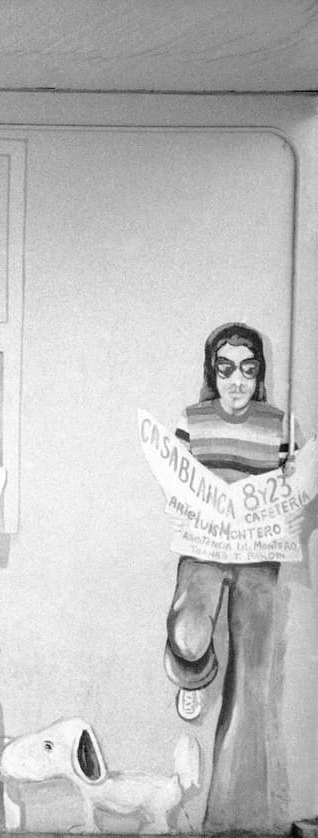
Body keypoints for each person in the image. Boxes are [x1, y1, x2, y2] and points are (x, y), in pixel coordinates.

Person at [164, 322, 303, 831]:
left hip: (259, 557)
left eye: (248, 369)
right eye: (226, 369)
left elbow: (296, 492)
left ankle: (232, 822)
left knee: (251, 686)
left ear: (259, 373)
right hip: (204, 550)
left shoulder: (281, 425)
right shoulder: (191, 420)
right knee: (189, 631)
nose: (237, 381)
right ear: (212, 373)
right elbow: (172, 483)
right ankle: (194, 672)